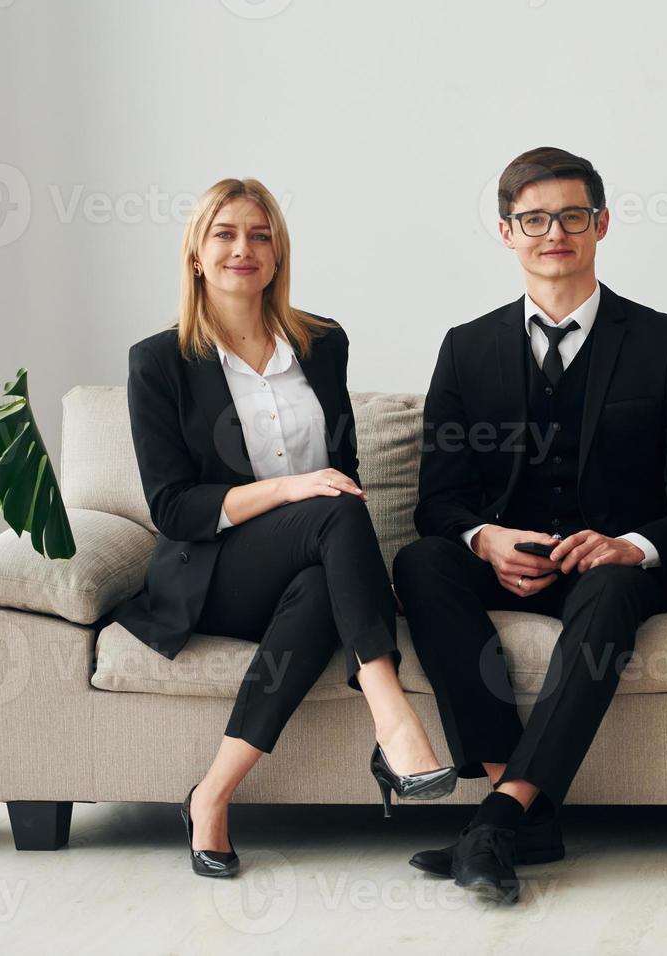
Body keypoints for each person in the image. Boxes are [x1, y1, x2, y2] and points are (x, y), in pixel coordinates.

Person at [393, 147, 667, 904]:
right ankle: (518, 808)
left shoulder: (662, 342)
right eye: (534, 218)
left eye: (572, 216)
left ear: (602, 224)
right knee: (422, 563)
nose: (554, 232)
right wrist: (485, 540)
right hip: (507, 568)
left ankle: (493, 822)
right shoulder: (466, 347)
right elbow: (438, 499)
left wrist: (633, 544)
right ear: (506, 232)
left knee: (616, 584)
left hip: (614, 574)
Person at [111, 178, 456, 879]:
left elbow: (346, 462)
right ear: (198, 255)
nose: (245, 248)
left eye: (260, 235)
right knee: (333, 505)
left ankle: (212, 795)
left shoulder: (321, 343)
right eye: (226, 234)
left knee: (322, 577)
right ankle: (391, 717)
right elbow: (174, 508)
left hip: (312, 563)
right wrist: (291, 487)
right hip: (214, 573)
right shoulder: (159, 361)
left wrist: (352, 560)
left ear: (278, 255)